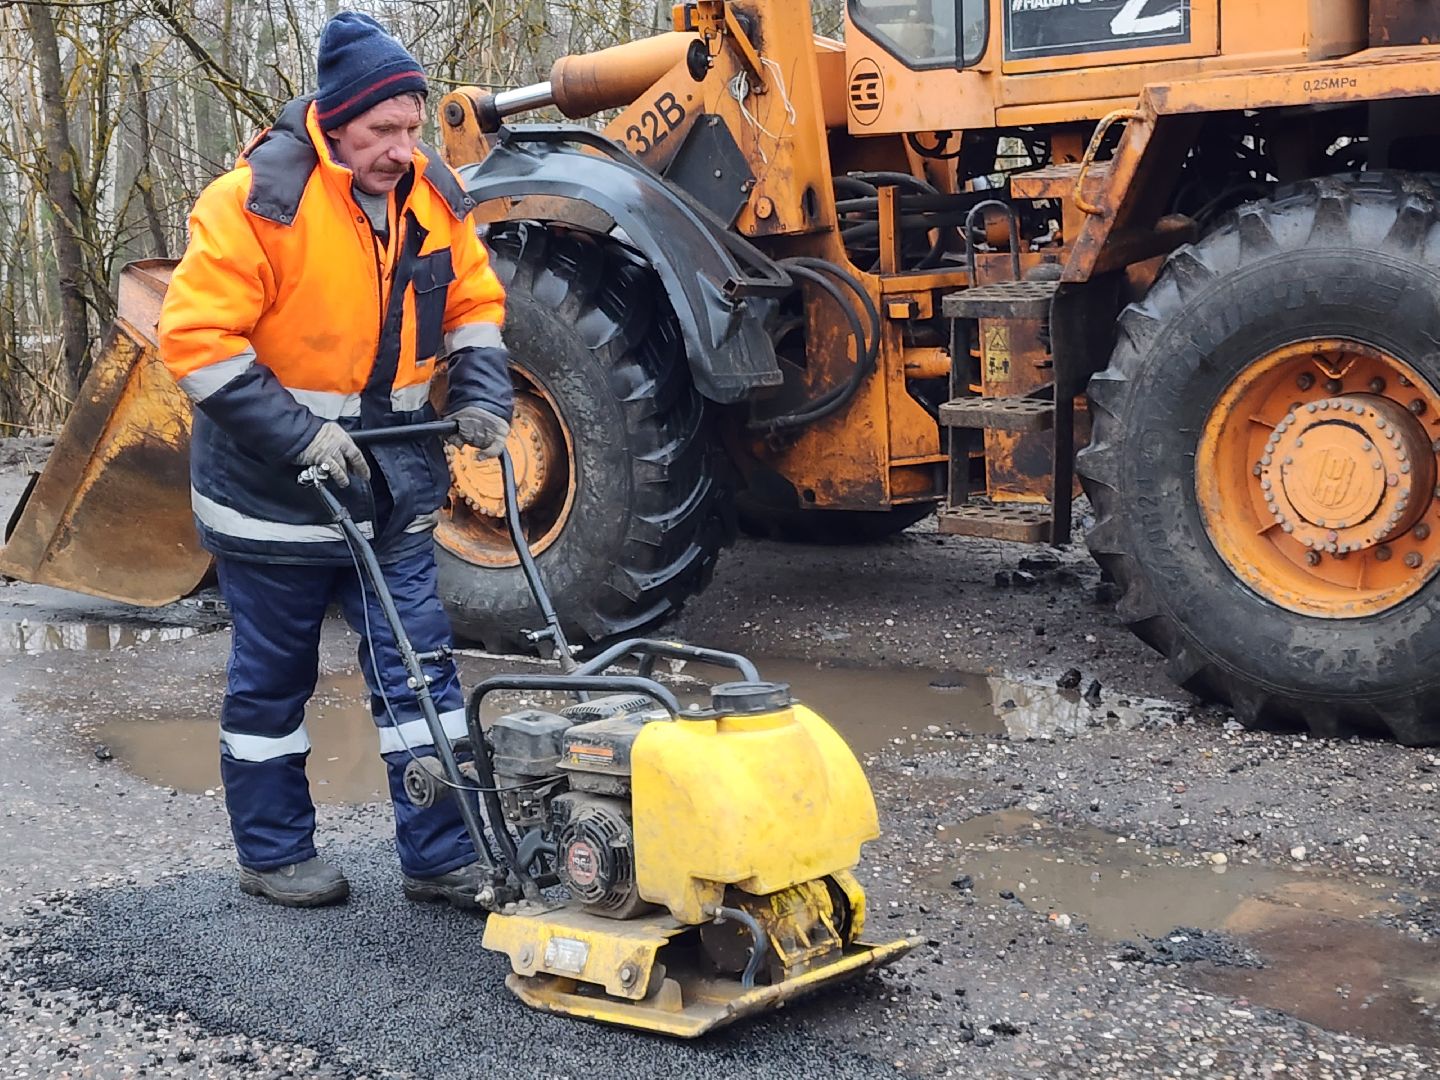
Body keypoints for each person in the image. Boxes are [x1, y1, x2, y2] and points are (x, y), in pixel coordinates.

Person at [157, 12, 512, 908]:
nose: (402, 147)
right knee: (275, 682)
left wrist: (480, 398)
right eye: (382, 131)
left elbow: (473, 302)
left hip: (389, 486)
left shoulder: (431, 194)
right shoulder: (255, 202)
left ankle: (441, 856)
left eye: (411, 125)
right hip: (273, 493)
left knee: (420, 672)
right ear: (334, 123)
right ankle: (274, 855)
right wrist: (300, 433)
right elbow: (198, 343)